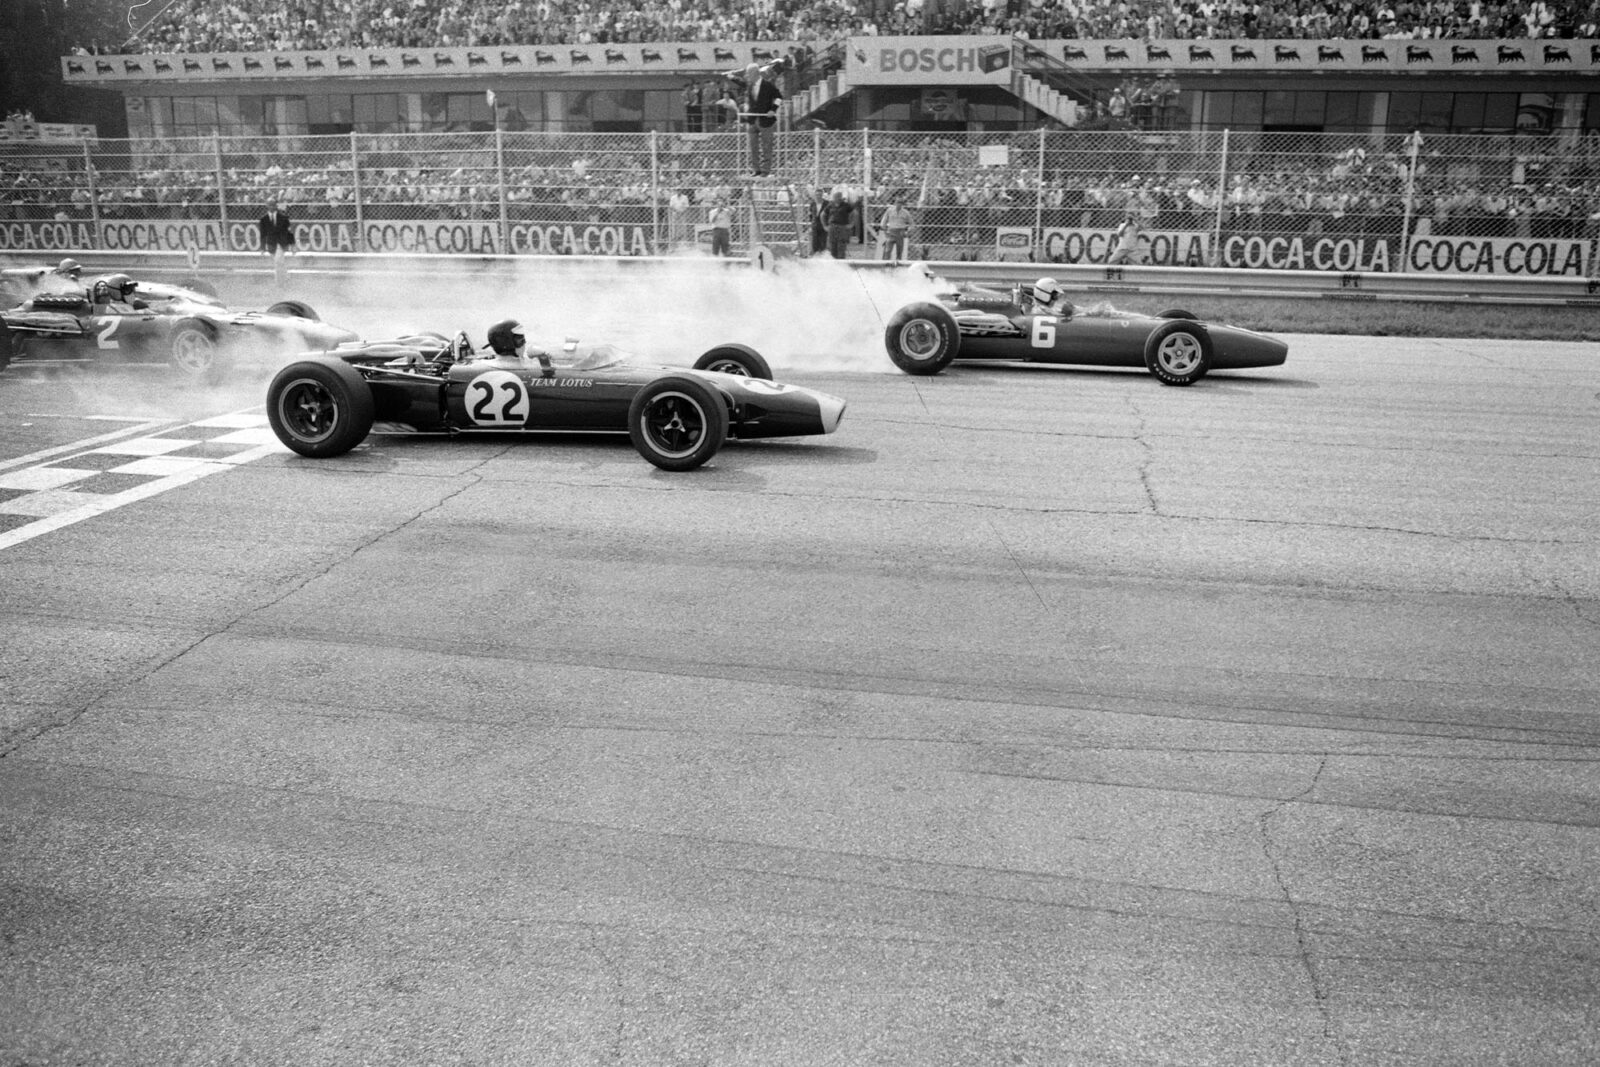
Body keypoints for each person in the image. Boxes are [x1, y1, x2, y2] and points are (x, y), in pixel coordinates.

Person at [741, 63, 782, 177]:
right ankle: (756, 169)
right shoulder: (750, 86)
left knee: (766, 146)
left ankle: (766, 170)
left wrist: (773, 109)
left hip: (765, 120)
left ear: (755, 73)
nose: (747, 76)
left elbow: (779, 97)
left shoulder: (768, 85)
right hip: (752, 119)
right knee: (752, 146)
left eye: (748, 74)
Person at [822, 190, 856, 260]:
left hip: (842, 227)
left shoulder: (846, 205)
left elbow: (855, 213)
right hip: (832, 227)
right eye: (836, 197)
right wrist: (825, 226)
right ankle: (833, 263)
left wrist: (851, 224)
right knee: (832, 246)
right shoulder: (830, 205)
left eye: (839, 197)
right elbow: (823, 215)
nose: (838, 199)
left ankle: (841, 262)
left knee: (841, 246)